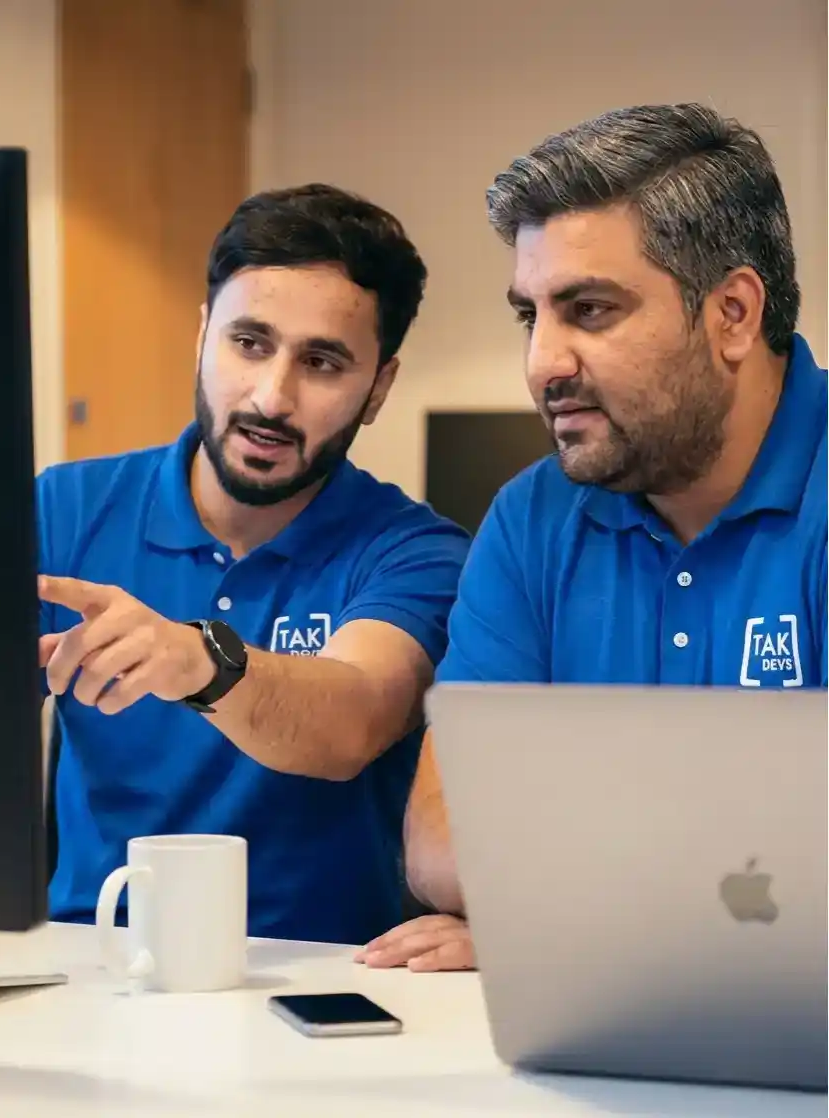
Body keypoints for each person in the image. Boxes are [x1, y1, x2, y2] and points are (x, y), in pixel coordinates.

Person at [356, 102, 827, 973]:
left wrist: (549, 919)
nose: (542, 363)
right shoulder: (532, 520)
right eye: (529, 315)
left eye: (590, 310)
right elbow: (442, 836)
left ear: (732, 312)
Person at [37, 184, 470, 945]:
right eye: (250, 343)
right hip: (88, 965)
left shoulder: (417, 551)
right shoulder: (63, 510)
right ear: (202, 334)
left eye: (324, 363)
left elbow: (354, 718)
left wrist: (200, 660)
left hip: (321, 983)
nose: (272, 397)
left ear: (379, 389)